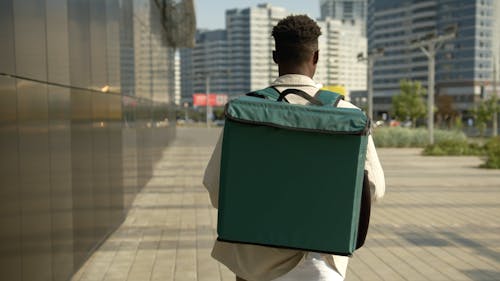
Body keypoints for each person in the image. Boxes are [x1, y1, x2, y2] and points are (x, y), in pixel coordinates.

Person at [203, 15, 385, 281]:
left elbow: (216, 187)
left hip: (254, 264)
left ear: (275, 56)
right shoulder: (348, 115)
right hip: (320, 264)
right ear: (316, 56)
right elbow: (374, 190)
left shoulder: (247, 112)